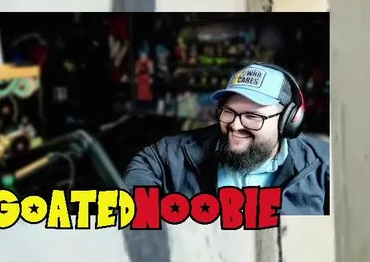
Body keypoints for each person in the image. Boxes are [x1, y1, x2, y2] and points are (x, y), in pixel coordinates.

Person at [123, 63, 329, 216]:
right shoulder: (185, 149)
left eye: (252, 116)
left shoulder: (326, 166)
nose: (235, 126)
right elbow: (147, 161)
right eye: (229, 111)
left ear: (288, 121)